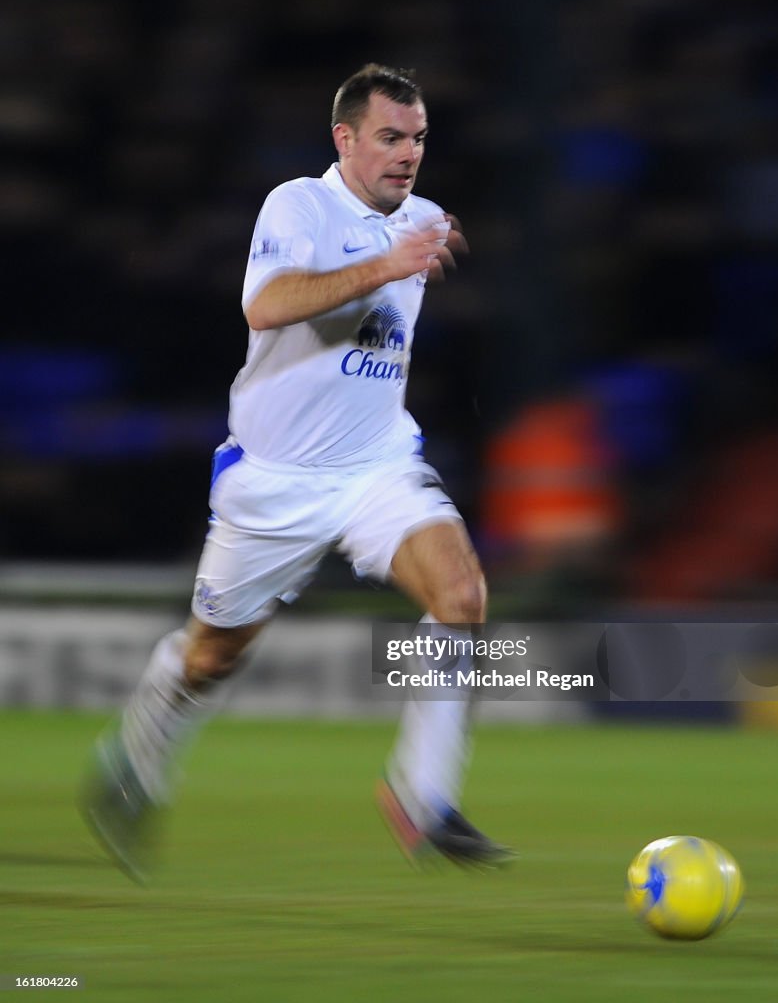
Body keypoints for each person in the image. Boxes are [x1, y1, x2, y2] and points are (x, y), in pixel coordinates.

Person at [80, 63, 515, 882]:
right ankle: (139, 755)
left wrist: (416, 252)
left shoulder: (420, 217)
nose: (409, 153)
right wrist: (387, 266)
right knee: (214, 659)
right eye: (390, 137)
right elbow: (266, 306)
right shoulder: (298, 205)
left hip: (376, 465)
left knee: (461, 597)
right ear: (344, 139)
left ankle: (423, 795)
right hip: (274, 480)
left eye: (419, 138)